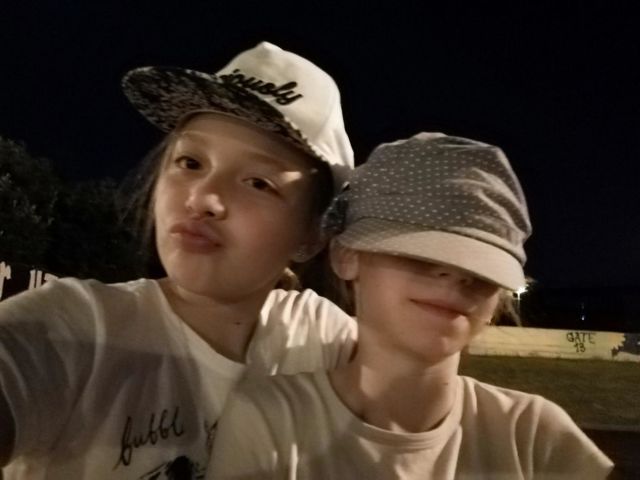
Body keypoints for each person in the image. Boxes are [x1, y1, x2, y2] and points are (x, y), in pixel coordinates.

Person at [0, 41, 356, 479]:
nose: (203, 197)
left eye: (259, 183)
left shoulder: (320, 336)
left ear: (312, 235)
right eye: (190, 161)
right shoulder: (73, 327)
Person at [207, 133, 614, 479]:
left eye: (479, 263)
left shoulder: (535, 434)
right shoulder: (273, 421)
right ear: (346, 256)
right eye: (420, 251)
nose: (455, 274)